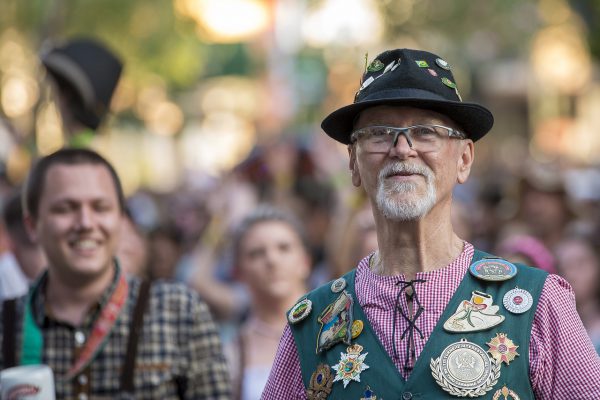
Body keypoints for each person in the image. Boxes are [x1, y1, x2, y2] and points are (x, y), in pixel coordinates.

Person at [262, 48, 600, 399]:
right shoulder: (311, 323)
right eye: (379, 132)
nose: (402, 148)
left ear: (464, 159)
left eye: (425, 131)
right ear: (353, 163)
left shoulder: (536, 303)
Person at [0, 148, 231, 399]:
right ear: (32, 225)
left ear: (122, 221)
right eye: (65, 208)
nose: (86, 223)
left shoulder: (179, 311)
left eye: (101, 207)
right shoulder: (6, 324)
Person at [225, 205, 310, 400]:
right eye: (256, 253)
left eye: (284, 248)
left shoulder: (343, 327)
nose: (272, 260)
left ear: (305, 261)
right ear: (238, 272)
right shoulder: (231, 355)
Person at [41, 37, 123, 146]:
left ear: (67, 98)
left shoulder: (78, 157)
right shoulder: (85, 151)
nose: (57, 100)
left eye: (61, 92)